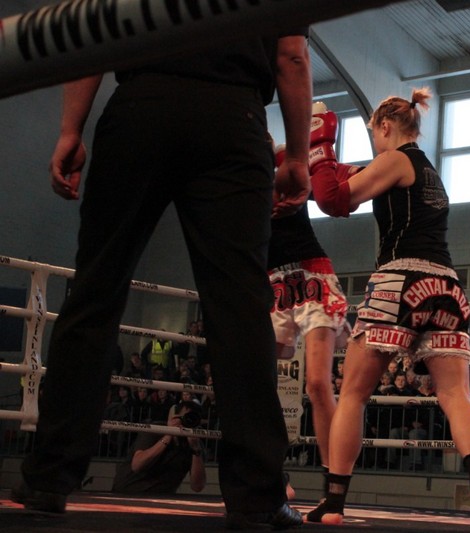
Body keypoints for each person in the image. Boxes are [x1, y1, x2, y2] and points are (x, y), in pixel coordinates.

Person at [12, 32, 312, 530]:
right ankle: (258, 495)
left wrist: (70, 129)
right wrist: (298, 157)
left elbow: (92, 33)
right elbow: (292, 55)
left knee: (95, 293)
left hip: (141, 105)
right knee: (240, 309)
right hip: (233, 119)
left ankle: (48, 478)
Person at [303, 89, 470, 532]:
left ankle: (334, 500)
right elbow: (341, 182)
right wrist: (316, 166)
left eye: (373, 135)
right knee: (456, 394)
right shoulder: (427, 171)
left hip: (400, 279)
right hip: (447, 288)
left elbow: (333, 200)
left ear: (385, 126)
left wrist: (319, 147)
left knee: (354, 394)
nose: (374, 145)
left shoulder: (394, 159)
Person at [267, 106, 350, 493]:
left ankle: (335, 484)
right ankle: (271, 473)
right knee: (258, 380)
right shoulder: (230, 179)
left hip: (311, 273)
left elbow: (322, 187)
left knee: (317, 383)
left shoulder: (288, 161)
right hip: (272, 282)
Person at [112, 401, 206, 494]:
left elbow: (197, 487)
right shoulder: (155, 430)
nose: (189, 422)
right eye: (186, 417)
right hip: (129, 490)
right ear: (176, 417)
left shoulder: (195, 444)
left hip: (161, 497)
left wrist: (195, 450)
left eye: (194, 419)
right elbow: (137, 465)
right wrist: (168, 435)